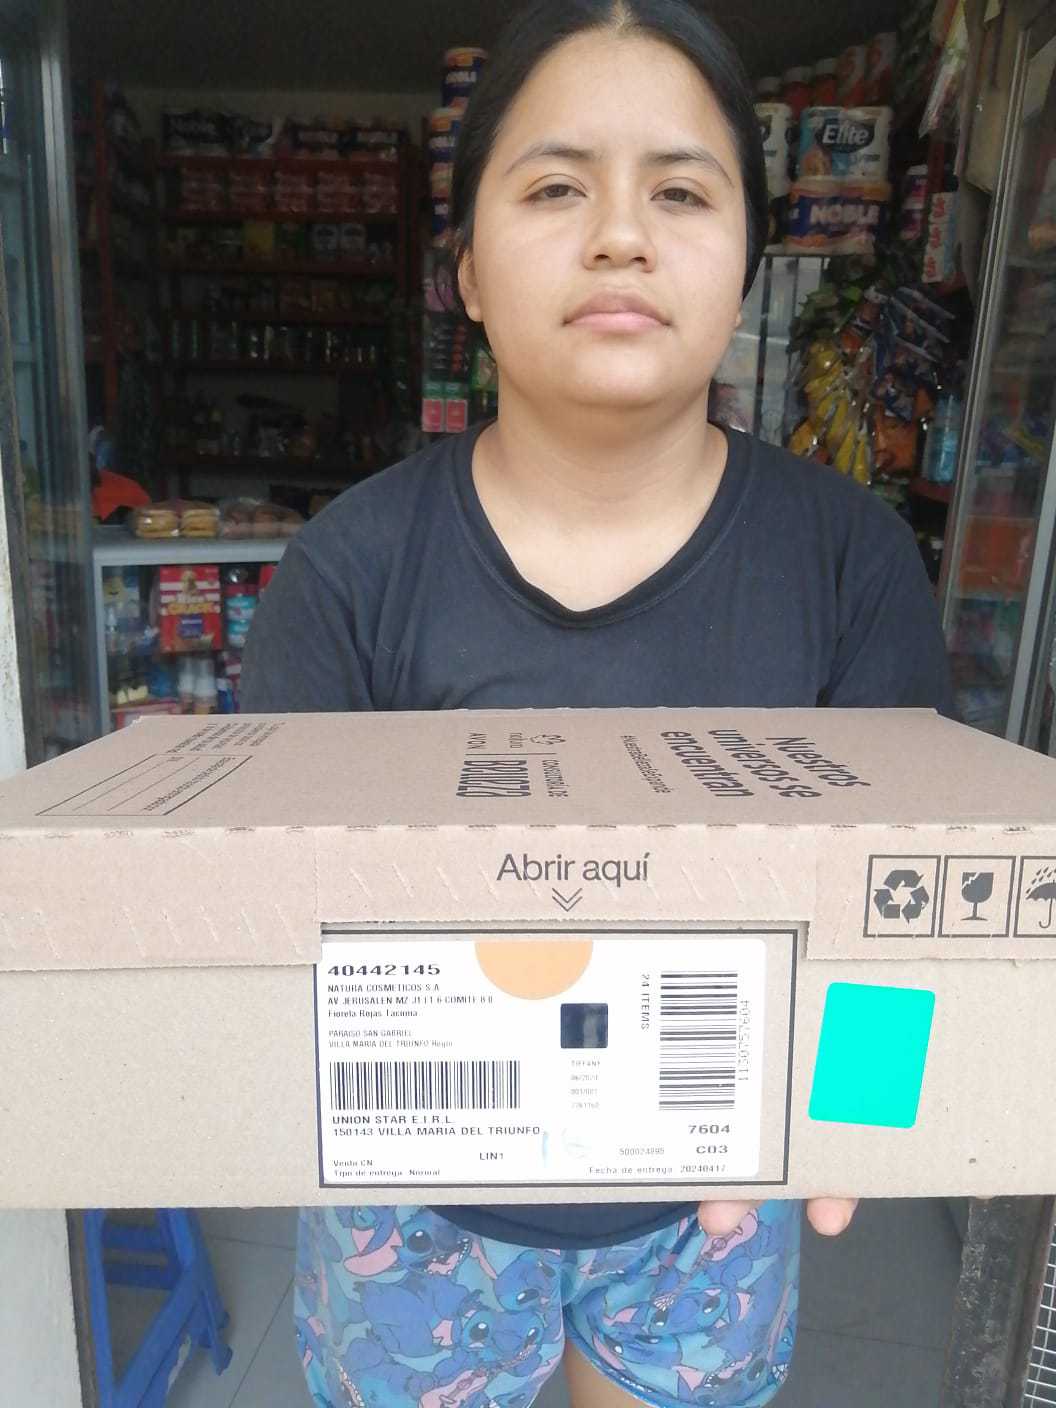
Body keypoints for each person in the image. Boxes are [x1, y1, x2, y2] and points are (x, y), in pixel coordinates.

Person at [241, 2, 953, 1403]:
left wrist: (856, 1114)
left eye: (680, 192)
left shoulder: (849, 561)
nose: (621, 234)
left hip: (712, 1201)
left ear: (746, 259)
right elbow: (271, 927)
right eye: (557, 187)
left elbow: (899, 896)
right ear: (465, 270)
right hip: (416, 1211)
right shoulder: (350, 572)